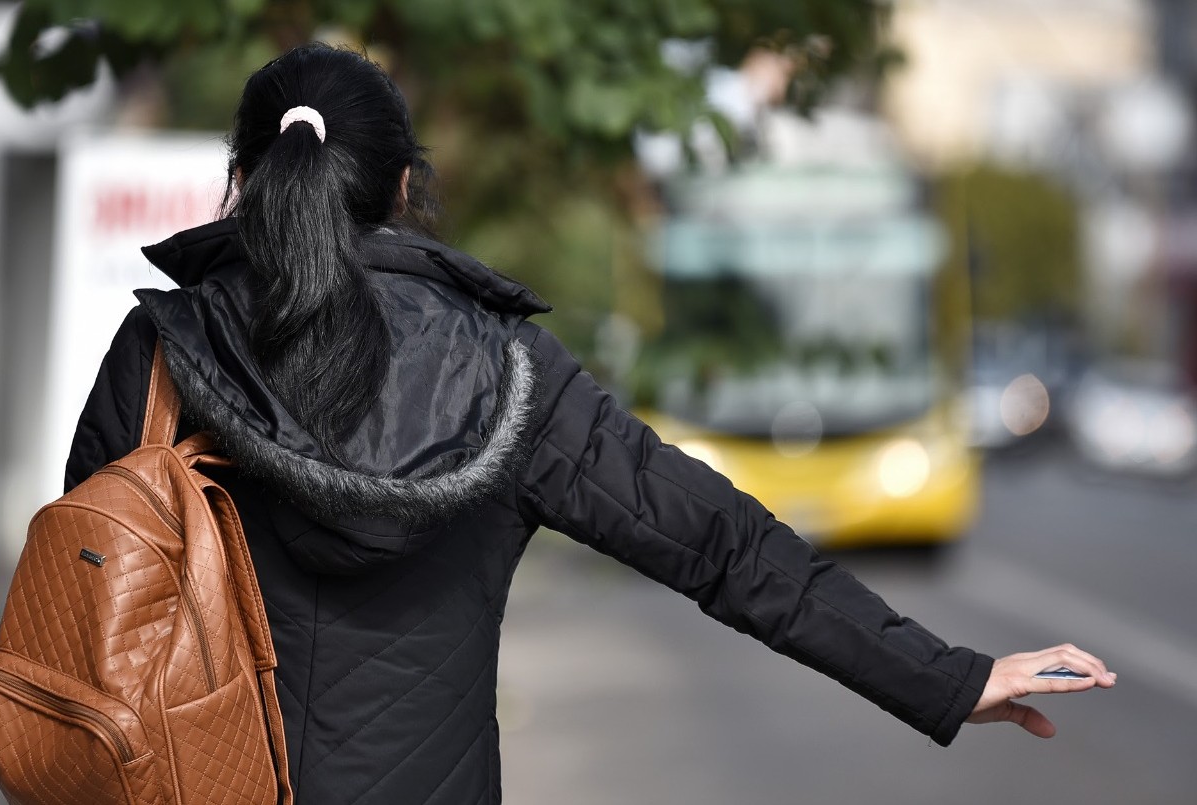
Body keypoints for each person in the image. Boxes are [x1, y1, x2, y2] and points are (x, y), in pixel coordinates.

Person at [65, 43, 1115, 804]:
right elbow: (719, 545)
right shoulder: (510, 371)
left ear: (241, 178)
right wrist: (949, 677)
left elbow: (77, 603)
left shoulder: (163, 355)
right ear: (402, 184)